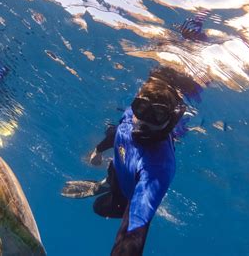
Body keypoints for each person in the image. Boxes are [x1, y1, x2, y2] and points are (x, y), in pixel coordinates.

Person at [62, 67, 201, 255]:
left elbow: (133, 231)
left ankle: (108, 188)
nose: (145, 122)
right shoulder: (130, 116)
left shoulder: (158, 168)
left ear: (170, 119)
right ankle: (106, 184)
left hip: (128, 195)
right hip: (118, 170)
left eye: (158, 115)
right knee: (116, 167)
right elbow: (119, 133)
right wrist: (98, 150)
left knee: (99, 208)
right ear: (135, 105)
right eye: (142, 109)